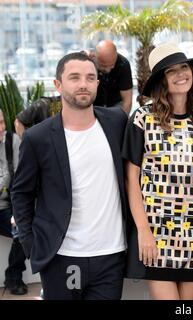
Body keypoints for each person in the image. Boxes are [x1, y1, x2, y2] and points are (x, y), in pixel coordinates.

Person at [11, 52, 129, 300]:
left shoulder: (116, 121)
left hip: (111, 255)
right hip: (62, 257)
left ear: (98, 83)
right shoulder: (38, 138)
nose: (83, 84)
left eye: (90, 77)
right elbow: (21, 193)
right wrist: (31, 244)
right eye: (74, 77)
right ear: (58, 84)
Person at [122, 43, 193, 300]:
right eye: (170, 71)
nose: (180, 74)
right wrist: (142, 230)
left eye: (184, 67)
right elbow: (131, 179)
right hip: (156, 231)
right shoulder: (143, 119)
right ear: (161, 81)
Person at [0, 109, 27, 295]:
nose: (1, 128)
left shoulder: (12, 141)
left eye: (1, 122)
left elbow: (18, 179)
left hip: (5, 207)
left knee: (23, 229)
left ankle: (13, 277)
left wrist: (18, 212)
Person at [88, 40, 133, 114]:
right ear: (94, 57)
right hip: (93, 104)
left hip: (116, 104)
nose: (108, 70)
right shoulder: (88, 62)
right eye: (104, 66)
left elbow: (127, 100)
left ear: (116, 55)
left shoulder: (123, 64)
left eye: (112, 65)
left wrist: (122, 121)